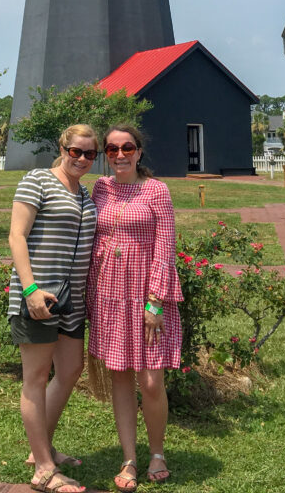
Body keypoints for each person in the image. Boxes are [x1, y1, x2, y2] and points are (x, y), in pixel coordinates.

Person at [87, 125, 183, 491]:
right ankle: (129, 457)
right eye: (111, 150)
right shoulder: (101, 189)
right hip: (109, 293)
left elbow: (166, 246)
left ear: (139, 152)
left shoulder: (156, 190)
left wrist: (155, 300)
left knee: (151, 380)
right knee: (121, 377)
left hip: (146, 294)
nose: (120, 155)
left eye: (127, 147)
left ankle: (157, 452)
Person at [8, 124, 99, 493]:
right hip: (39, 297)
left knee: (71, 368)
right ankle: (44, 468)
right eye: (75, 151)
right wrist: (30, 288)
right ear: (62, 147)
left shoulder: (84, 194)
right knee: (36, 376)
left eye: (89, 154)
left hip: (71, 300)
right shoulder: (38, 181)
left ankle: (40, 447)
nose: (80, 158)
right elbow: (17, 235)